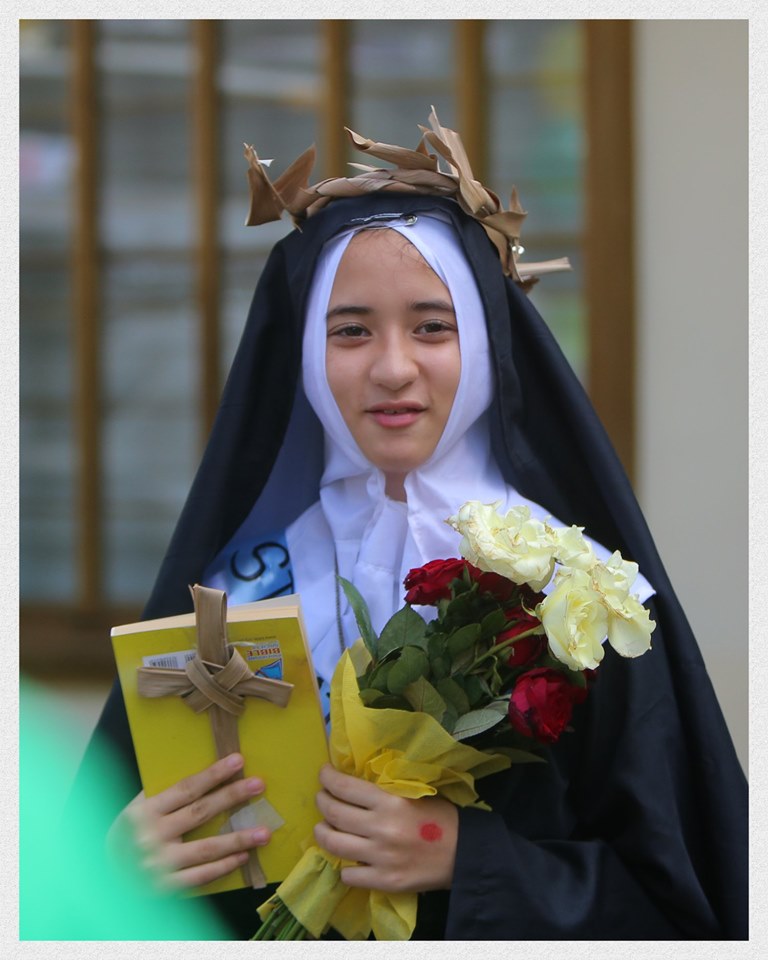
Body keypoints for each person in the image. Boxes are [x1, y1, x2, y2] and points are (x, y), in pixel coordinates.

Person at [74, 114, 748, 940]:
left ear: (487, 345)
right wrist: (112, 869)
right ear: (305, 356)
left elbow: (679, 907)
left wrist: (469, 858)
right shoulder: (234, 587)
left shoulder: (580, 599)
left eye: (433, 326)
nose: (393, 368)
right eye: (350, 331)